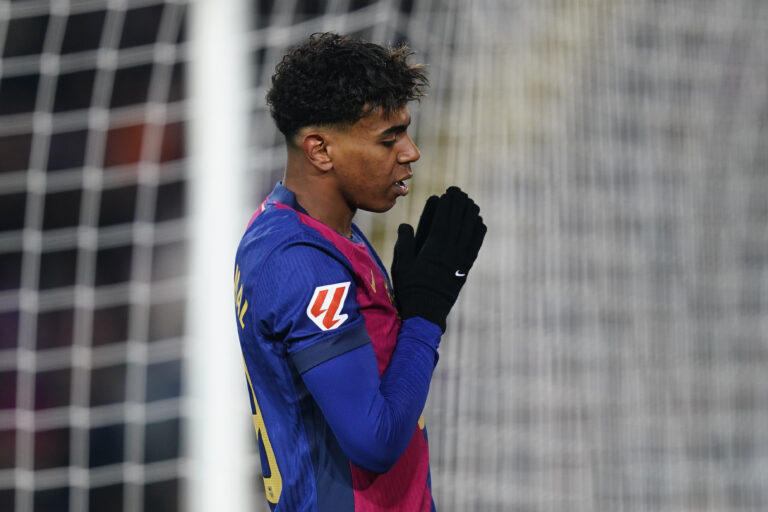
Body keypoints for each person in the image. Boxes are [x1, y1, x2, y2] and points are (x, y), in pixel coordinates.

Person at [233, 32, 486, 511]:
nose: (410, 152)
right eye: (388, 139)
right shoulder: (301, 263)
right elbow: (374, 440)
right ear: (320, 150)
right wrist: (426, 313)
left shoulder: (317, 231)